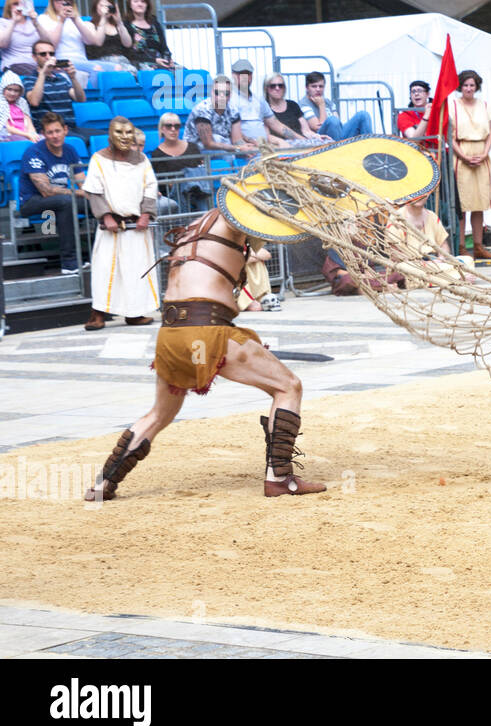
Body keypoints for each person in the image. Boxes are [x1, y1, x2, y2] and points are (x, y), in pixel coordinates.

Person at [83, 206, 326, 501]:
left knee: (160, 413)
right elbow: (283, 223)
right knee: (288, 386)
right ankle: (280, 478)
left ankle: (103, 484)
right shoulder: (234, 219)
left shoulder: (196, 225)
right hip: (206, 328)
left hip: (171, 333)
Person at [82, 116, 160, 331]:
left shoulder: (142, 159)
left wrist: (146, 214)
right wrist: (106, 216)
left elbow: (150, 188)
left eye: (128, 132)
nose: (125, 137)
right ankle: (98, 314)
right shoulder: (99, 159)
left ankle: (134, 313)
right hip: (112, 226)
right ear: (110, 134)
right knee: (105, 269)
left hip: (136, 226)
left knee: (137, 269)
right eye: (119, 132)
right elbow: (94, 189)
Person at [18, 112, 88, 274]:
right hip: (32, 201)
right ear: (43, 134)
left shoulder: (70, 150)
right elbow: (46, 191)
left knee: (98, 203)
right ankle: (69, 263)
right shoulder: (34, 153)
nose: (55, 136)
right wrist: (79, 193)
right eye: (50, 132)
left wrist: (91, 195)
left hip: (62, 199)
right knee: (65, 201)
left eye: (57, 131)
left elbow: (81, 182)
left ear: (65, 130)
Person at [448, 69, 491, 261]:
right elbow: (451, 137)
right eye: (466, 85)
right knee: (463, 204)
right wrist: (464, 157)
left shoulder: (484, 105)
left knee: (479, 202)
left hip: (482, 154)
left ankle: (478, 245)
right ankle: (461, 246)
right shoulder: (453, 105)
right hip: (462, 155)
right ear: (461, 86)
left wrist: (484, 153)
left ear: (477, 87)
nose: (469, 88)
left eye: (472, 85)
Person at [182, 74, 256, 155]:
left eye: (226, 93)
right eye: (217, 92)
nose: (221, 96)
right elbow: (208, 144)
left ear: (230, 95)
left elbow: (236, 140)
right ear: (211, 92)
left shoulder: (233, 110)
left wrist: (246, 149)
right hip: (196, 150)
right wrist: (238, 149)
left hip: (223, 147)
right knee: (220, 140)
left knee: (252, 153)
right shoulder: (202, 110)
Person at [151, 112, 208, 214]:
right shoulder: (157, 154)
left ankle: (204, 218)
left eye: (176, 126)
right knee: (184, 185)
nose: (173, 129)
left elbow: (200, 170)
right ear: (162, 128)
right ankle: (201, 217)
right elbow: (166, 182)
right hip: (175, 193)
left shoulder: (192, 147)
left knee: (197, 183)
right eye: (169, 126)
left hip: (198, 191)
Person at [22, 40, 85, 125]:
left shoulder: (61, 78)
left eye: (51, 54)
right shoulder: (28, 80)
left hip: (69, 127)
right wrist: (43, 73)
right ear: (34, 57)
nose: (48, 57)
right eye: (43, 54)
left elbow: (81, 99)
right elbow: (34, 102)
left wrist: (73, 78)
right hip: (48, 131)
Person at [228, 60, 289, 147]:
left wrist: (301, 139)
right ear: (233, 75)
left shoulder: (259, 99)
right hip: (244, 149)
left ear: (252, 76)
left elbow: (275, 124)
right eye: (241, 74)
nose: (245, 77)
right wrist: (249, 143)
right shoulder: (228, 99)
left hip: (264, 147)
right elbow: (226, 129)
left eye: (248, 74)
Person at [301, 71, 373, 141]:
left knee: (363, 115)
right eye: (314, 86)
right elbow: (318, 128)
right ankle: (339, 150)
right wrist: (321, 106)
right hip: (321, 139)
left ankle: (371, 149)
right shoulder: (304, 104)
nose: (318, 89)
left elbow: (338, 123)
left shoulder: (328, 102)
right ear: (307, 88)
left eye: (321, 86)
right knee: (332, 120)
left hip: (338, 136)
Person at [264, 72, 326, 144]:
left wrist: (315, 136)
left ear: (284, 88)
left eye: (280, 85)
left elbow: (306, 130)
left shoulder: (292, 105)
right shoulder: (264, 108)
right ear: (266, 88)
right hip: (282, 146)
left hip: (302, 142)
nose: (277, 88)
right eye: (272, 86)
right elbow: (266, 136)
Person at [83, 0, 137, 70]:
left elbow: (128, 44)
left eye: (108, 6)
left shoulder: (117, 25)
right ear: (95, 7)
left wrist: (119, 22)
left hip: (122, 61)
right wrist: (103, 18)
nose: (106, 8)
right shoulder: (90, 24)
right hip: (102, 63)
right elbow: (98, 42)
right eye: (102, 5)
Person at [0, 0, 50, 73]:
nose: (19, 7)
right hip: (15, 64)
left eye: (22, 3)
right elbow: (2, 44)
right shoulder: (3, 22)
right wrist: (14, 22)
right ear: (9, 7)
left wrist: (35, 22)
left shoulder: (35, 22)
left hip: (37, 64)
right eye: (15, 4)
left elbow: (48, 43)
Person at [125, 0, 174, 70]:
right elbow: (129, 53)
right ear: (130, 4)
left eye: (143, 1)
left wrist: (168, 58)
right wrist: (154, 60)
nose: (140, 4)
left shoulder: (155, 23)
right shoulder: (126, 25)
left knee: (184, 73)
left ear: (147, 5)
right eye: (136, 1)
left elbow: (164, 47)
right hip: (140, 63)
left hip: (161, 61)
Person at [397, 79, 441, 152]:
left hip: (438, 155)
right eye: (413, 91)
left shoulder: (437, 113)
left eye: (420, 91)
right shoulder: (404, 115)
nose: (416, 94)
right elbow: (414, 140)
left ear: (427, 94)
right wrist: (426, 116)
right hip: (416, 155)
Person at [1, 70, 38, 141]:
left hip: (26, 133)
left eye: (16, 91)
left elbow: (29, 123)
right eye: (9, 89)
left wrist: (33, 134)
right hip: (7, 135)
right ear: (3, 89)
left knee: (43, 140)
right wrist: (27, 135)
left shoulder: (22, 102)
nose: (12, 93)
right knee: (23, 141)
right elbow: (7, 128)